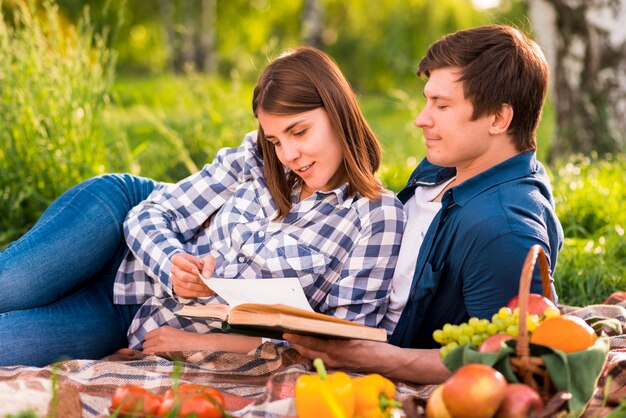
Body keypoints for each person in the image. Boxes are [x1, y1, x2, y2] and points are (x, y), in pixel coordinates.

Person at [0, 47, 404, 366]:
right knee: (11, 286)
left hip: (131, 315)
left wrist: (198, 344)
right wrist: (172, 262)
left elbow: (342, 345)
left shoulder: (375, 217)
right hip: (117, 228)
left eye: (299, 132)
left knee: (9, 345)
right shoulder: (257, 157)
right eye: (277, 140)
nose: (289, 155)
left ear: (338, 112)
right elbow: (149, 214)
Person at [284, 24, 564, 384]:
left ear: (499, 118)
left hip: (367, 341)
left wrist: (373, 358)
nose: (421, 119)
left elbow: (510, 361)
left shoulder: (502, 231)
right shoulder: (451, 162)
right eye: (427, 100)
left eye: (442, 105)